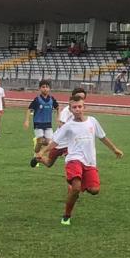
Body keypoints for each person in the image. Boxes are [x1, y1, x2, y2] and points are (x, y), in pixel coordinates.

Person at [36, 95, 123, 225]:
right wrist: (42, 151)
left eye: (80, 106)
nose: (77, 109)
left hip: (90, 162)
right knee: (75, 188)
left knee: (94, 190)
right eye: (74, 107)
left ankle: (77, 187)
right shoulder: (68, 126)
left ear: (84, 107)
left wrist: (114, 149)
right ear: (70, 110)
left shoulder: (92, 121)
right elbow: (55, 142)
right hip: (73, 159)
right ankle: (66, 216)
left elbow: (103, 137)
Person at [32, 87, 87, 168]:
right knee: (48, 163)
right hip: (58, 143)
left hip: (69, 144)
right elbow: (60, 124)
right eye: (78, 97)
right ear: (72, 97)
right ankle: (37, 158)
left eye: (82, 98)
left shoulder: (79, 111)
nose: (80, 99)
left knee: (74, 161)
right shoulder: (67, 111)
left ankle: (76, 177)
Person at [24, 80, 59, 160]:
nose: (45, 89)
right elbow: (29, 109)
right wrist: (27, 120)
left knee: (49, 143)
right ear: (40, 88)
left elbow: (58, 107)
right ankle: (36, 153)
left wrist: (58, 117)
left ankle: (39, 154)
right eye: (43, 87)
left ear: (49, 89)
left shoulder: (52, 99)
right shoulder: (37, 99)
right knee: (40, 141)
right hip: (38, 123)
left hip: (48, 124)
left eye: (47, 87)